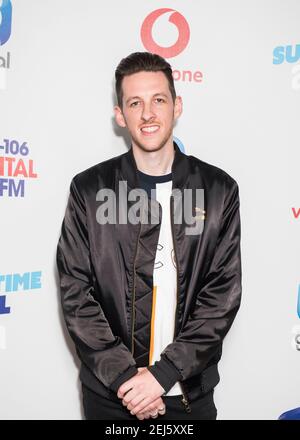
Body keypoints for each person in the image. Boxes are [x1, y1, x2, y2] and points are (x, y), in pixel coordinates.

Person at [56, 51, 242, 420]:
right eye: (135, 103)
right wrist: (127, 378)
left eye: (159, 100)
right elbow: (76, 292)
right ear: (120, 115)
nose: (148, 114)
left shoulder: (219, 190)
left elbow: (221, 296)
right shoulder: (90, 190)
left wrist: (162, 376)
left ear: (177, 105)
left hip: (187, 394)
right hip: (111, 396)